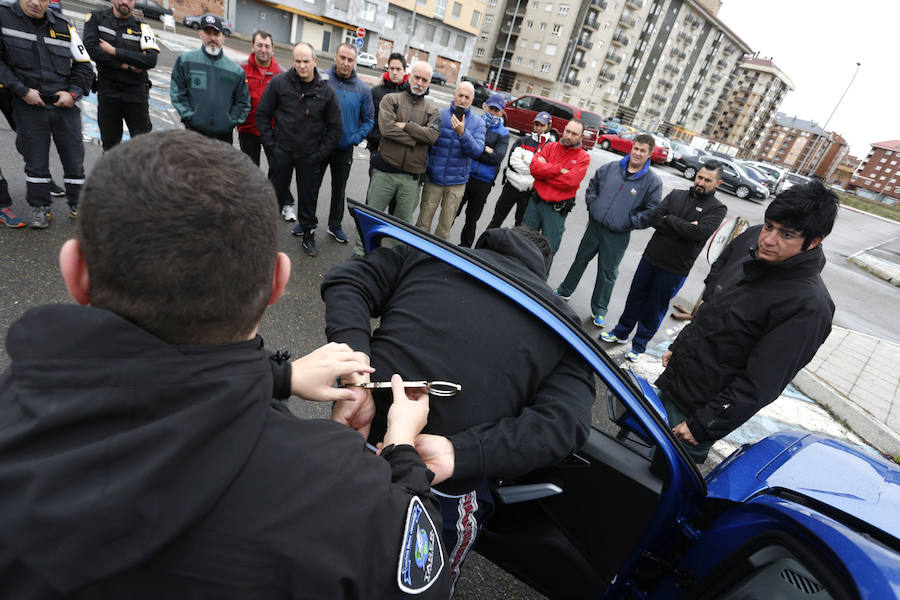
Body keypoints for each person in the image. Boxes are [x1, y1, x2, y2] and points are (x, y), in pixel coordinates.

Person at [0, 130, 449, 599]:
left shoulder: (16, 418)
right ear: (279, 281)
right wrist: (400, 451)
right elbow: (422, 579)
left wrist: (281, 378)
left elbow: (158, 394)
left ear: (74, 271)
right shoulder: (349, 499)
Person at [322, 226, 595, 593]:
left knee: (317, 550)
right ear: (539, 273)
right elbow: (567, 423)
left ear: (486, 246)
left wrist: (356, 372)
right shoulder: (562, 328)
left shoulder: (428, 254)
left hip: (354, 443)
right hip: (441, 486)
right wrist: (460, 453)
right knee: (423, 584)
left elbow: (349, 277)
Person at [656, 181, 839, 465]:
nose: (767, 239)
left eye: (786, 234)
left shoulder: (809, 306)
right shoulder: (759, 262)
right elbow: (712, 312)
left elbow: (761, 383)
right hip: (675, 386)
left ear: (815, 241)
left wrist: (705, 423)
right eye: (769, 226)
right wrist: (679, 347)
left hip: (696, 416)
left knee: (660, 489)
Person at [600, 161, 727, 361]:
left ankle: (639, 346)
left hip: (675, 268)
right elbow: (654, 218)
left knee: (654, 308)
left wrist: (670, 220)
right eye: (699, 177)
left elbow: (698, 233)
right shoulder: (676, 194)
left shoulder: (717, 209)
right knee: (635, 297)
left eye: (707, 180)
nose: (700, 182)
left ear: (717, 183)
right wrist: (684, 226)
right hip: (650, 258)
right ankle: (621, 332)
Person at [0, 0, 93, 228]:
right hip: (29, 103)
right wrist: (22, 91)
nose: (35, 3)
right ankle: (40, 208)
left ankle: (77, 206)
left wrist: (73, 93)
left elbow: (84, 65)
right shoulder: (3, 17)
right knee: (36, 162)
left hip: (65, 104)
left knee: (74, 160)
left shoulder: (63, 25)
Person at [554, 133, 662, 326]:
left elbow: (652, 211)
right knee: (580, 260)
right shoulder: (611, 168)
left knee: (608, 273)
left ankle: (600, 310)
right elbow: (592, 186)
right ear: (632, 147)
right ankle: (564, 290)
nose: (637, 153)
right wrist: (593, 206)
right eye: (635, 148)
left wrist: (629, 222)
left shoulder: (652, 182)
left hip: (618, 235)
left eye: (642, 151)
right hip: (595, 226)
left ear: (650, 154)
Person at [257, 42, 341, 258]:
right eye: (298, 61)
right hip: (281, 151)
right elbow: (263, 114)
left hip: (309, 155)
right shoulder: (279, 83)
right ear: (293, 61)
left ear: (315, 61)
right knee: (274, 195)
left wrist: (320, 154)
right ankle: (266, 237)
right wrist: (271, 145)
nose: (302, 65)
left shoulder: (326, 91)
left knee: (308, 198)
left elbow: (335, 127)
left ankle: (308, 235)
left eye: (306, 61)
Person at [365, 60, 440, 229]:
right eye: (417, 77)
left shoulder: (432, 110)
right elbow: (387, 130)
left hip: (412, 178)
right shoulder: (391, 99)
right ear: (409, 76)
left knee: (402, 226)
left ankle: (394, 254)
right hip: (385, 171)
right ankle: (362, 253)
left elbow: (432, 136)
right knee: (371, 217)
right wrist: (416, 140)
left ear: (429, 83)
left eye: (424, 80)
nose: (420, 83)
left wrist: (407, 126)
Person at [82, 0, 159, 150]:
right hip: (108, 92)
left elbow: (150, 60)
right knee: (110, 148)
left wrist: (114, 51)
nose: (125, 2)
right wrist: (125, 64)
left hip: (136, 94)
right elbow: (91, 50)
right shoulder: (96, 18)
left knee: (143, 148)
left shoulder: (142, 27)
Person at [317, 43, 374, 244]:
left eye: (350, 59)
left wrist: (355, 138)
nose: (346, 63)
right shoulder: (322, 79)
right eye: (343, 58)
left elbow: (369, 120)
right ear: (335, 57)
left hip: (344, 149)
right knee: (311, 185)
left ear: (355, 62)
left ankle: (335, 225)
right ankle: (308, 222)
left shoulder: (362, 89)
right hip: (320, 145)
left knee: (339, 189)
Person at [415, 82, 485, 241]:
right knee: (423, 223)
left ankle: (436, 260)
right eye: (460, 95)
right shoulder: (439, 115)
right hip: (434, 179)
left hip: (457, 183)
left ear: (472, 100)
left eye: (467, 97)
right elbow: (427, 144)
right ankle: (416, 253)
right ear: (454, 95)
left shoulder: (478, 123)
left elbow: (476, 151)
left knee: (445, 228)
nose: (463, 100)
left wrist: (463, 133)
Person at [521, 119, 591, 267]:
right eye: (567, 131)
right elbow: (534, 168)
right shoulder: (549, 147)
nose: (568, 136)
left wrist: (545, 172)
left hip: (555, 211)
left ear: (581, 136)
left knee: (547, 252)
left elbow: (569, 182)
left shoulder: (583, 157)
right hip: (535, 203)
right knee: (522, 242)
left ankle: (537, 284)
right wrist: (558, 170)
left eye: (574, 134)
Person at [170, 14, 249, 143]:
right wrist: (190, 117)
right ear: (200, 33)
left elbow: (243, 102)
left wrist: (229, 122)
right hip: (193, 134)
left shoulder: (236, 70)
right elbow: (177, 93)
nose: (212, 38)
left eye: (216, 34)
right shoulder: (185, 61)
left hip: (223, 137)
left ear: (223, 37)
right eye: (208, 33)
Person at [456, 93, 510, 248]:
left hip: (484, 182)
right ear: (485, 106)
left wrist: (476, 149)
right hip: (465, 175)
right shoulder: (474, 123)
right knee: (453, 212)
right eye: (491, 108)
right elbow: (466, 148)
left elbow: (497, 157)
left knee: (472, 218)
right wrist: (485, 150)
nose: (493, 112)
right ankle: (440, 244)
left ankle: (464, 249)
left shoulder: (504, 134)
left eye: (497, 110)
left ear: (501, 112)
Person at [485, 110, 551, 230]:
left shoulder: (549, 147)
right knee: (496, 220)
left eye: (542, 125)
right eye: (537, 124)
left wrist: (525, 161)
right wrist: (534, 167)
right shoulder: (522, 141)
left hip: (529, 193)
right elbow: (512, 162)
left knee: (520, 228)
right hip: (510, 187)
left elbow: (545, 171)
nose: (538, 128)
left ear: (548, 126)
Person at [237, 30, 283, 195]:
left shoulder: (281, 74)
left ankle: (273, 198)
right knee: (249, 169)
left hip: (272, 131)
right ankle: (251, 199)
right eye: (259, 45)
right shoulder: (240, 69)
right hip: (247, 129)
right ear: (252, 46)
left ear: (273, 49)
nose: (263, 49)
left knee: (277, 167)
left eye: (267, 46)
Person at [366, 52, 407, 175]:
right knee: (375, 187)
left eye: (398, 69)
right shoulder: (375, 91)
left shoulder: (409, 94)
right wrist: (373, 138)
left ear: (404, 70)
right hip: (377, 148)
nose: (395, 72)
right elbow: (367, 118)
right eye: (392, 68)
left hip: (400, 150)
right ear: (387, 69)